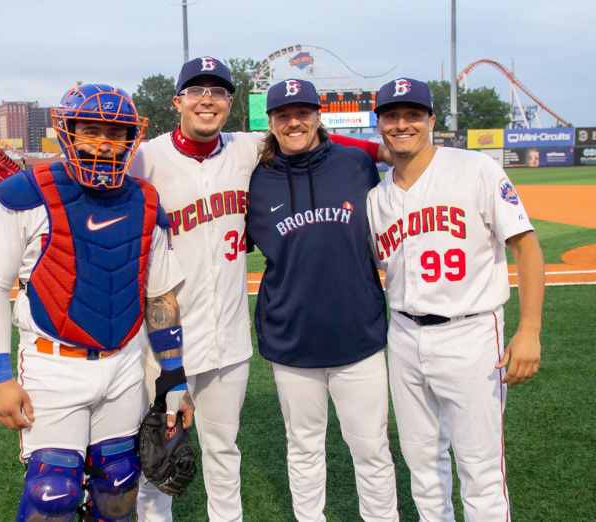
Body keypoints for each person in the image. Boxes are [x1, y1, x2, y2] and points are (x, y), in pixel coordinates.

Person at [131, 58, 387, 521]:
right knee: (158, 456)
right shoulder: (147, 158)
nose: (206, 99)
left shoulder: (247, 149)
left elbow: (318, 141)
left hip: (228, 339)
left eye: (218, 91)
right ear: (178, 101)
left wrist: (384, 151)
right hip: (163, 341)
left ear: (231, 103)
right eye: (195, 90)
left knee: (224, 451)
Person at [0, 83, 193, 522]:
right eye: (91, 129)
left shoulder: (146, 201)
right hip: (53, 363)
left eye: (117, 132)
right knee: (53, 492)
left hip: (124, 363)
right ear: (67, 131)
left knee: (120, 481)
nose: (105, 142)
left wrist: (173, 378)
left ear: (132, 139)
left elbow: (160, 296)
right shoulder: (25, 194)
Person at [366, 77, 544, 521]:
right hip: (404, 334)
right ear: (380, 123)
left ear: (430, 120)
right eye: (392, 116)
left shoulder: (475, 169)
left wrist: (530, 331)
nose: (402, 124)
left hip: (471, 331)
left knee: (480, 467)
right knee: (422, 465)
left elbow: (526, 246)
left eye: (412, 115)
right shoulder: (377, 197)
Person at [246, 79, 399, 522]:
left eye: (303, 112)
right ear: (271, 122)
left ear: (318, 115)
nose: (294, 121)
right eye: (283, 115)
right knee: (304, 447)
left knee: (371, 447)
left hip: (360, 335)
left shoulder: (356, 163)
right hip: (291, 339)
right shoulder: (255, 180)